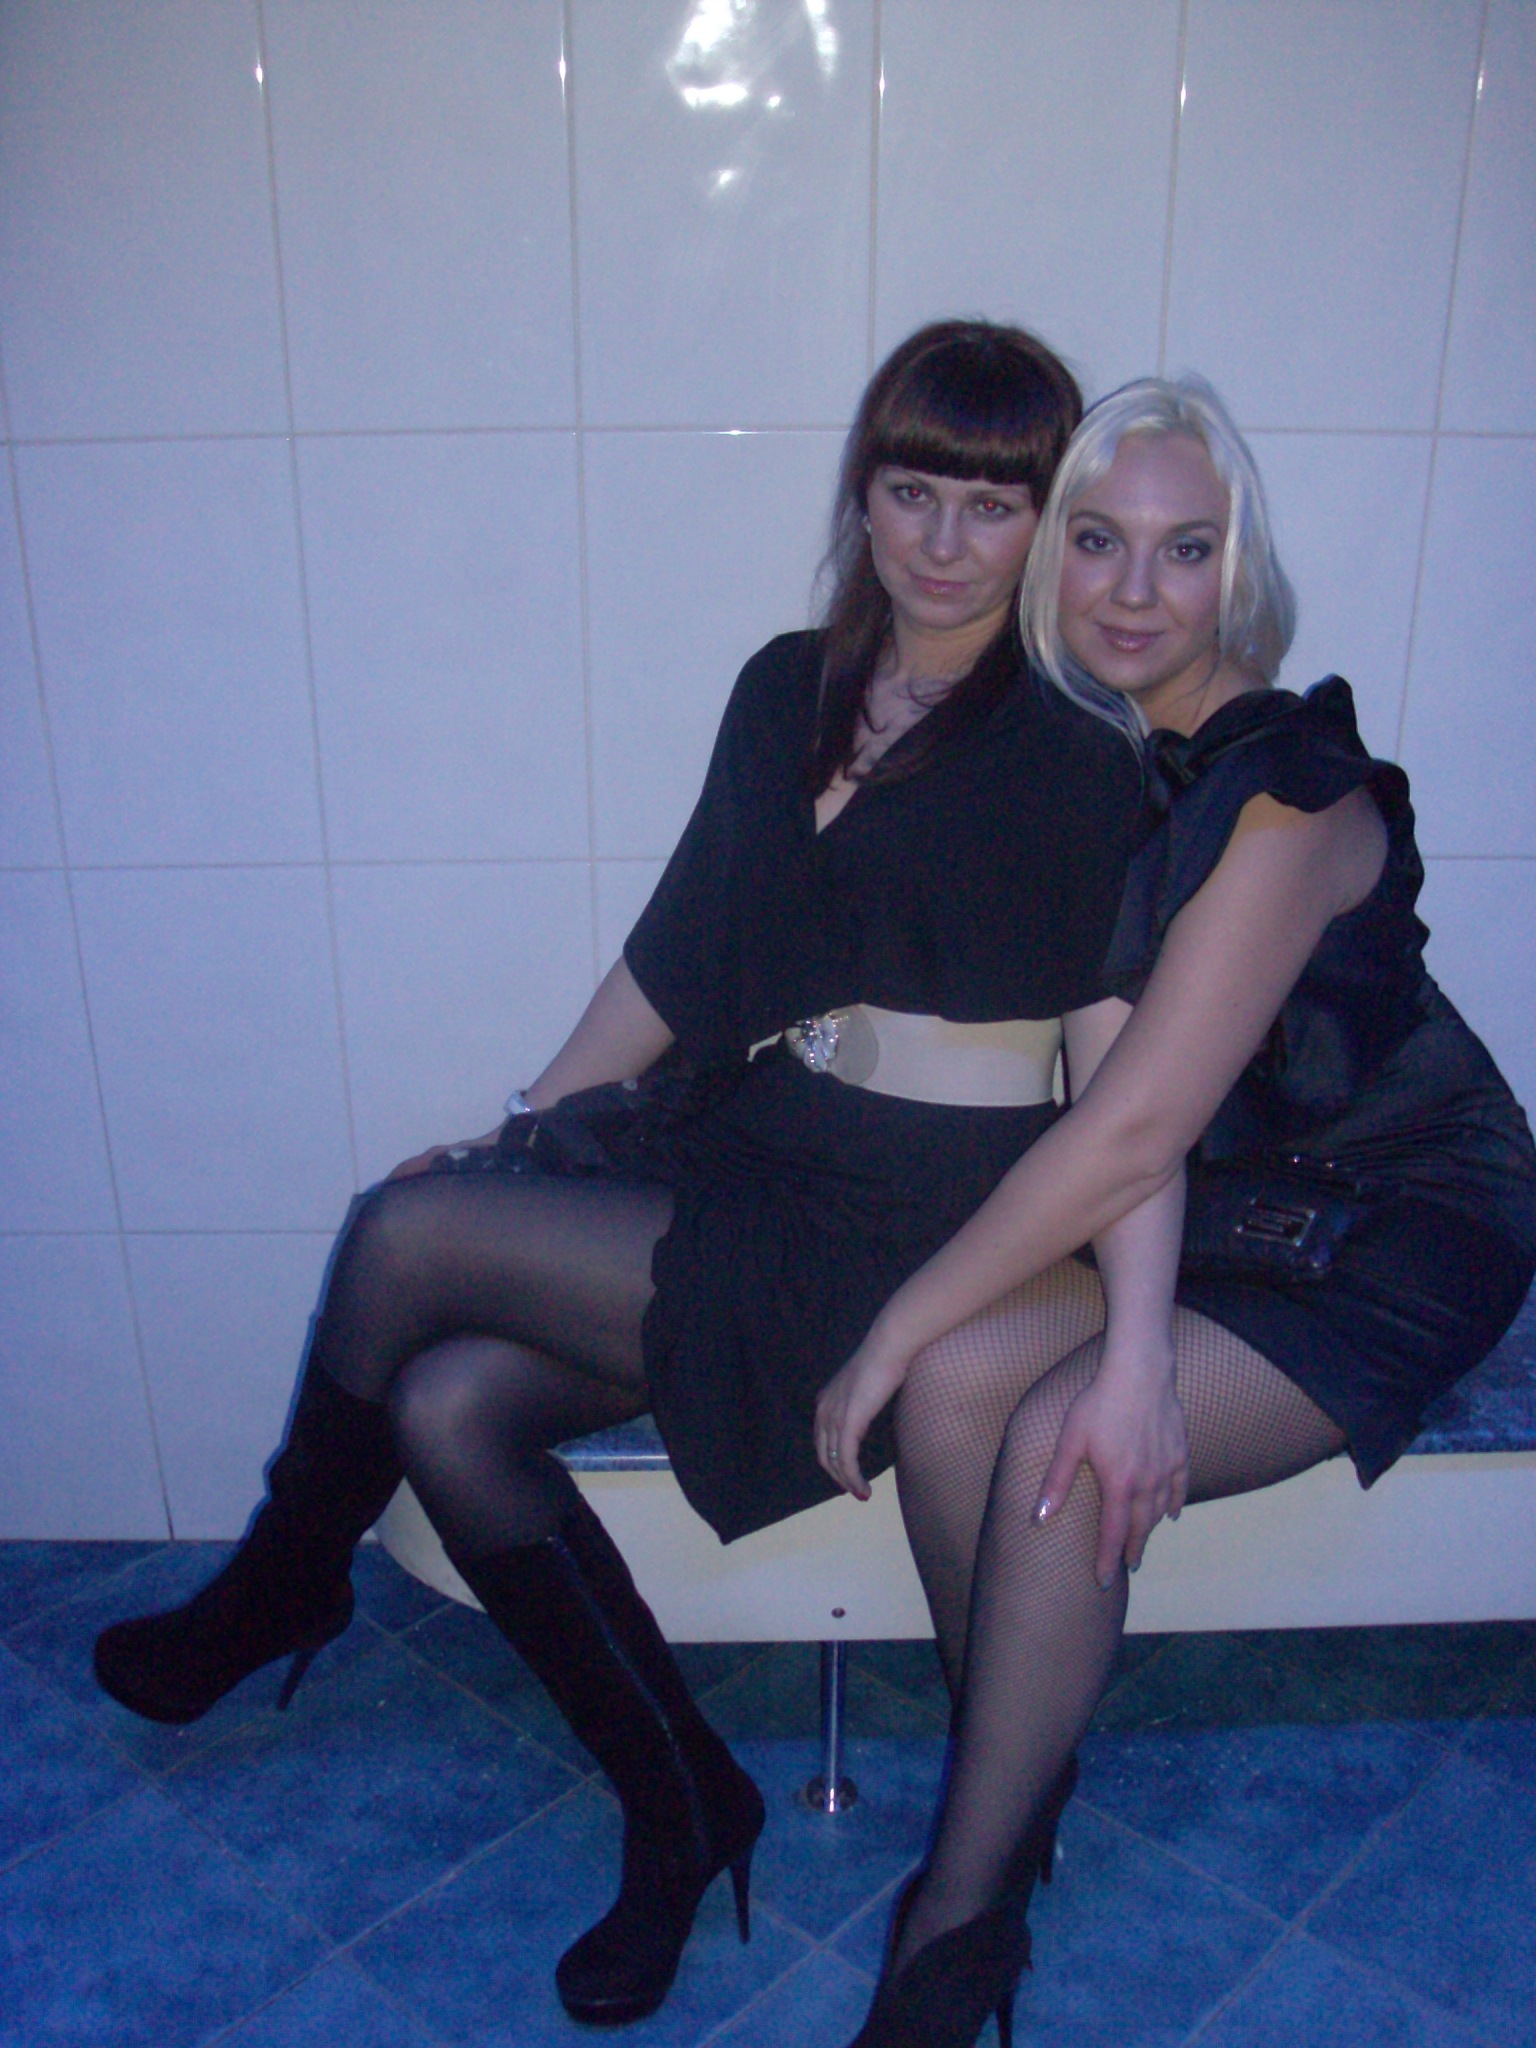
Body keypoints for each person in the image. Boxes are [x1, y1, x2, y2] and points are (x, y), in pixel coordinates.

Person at [92, 321, 1151, 2028]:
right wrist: (529, 1129)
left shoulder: (1078, 750)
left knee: (405, 1235)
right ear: (863, 494)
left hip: (917, 1219)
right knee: (445, 1406)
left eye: (994, 504)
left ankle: (286, 1579)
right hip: (757, 1140)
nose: (946, 543)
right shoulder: (786, 686)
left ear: (1045, 521)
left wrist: (1131, 1330)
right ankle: (683, 1810)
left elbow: (1126, 1089)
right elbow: (677, 953)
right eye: (912, 492)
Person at [813, 375, 1536, 2048]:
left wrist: (902, 1327)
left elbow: (1134, 1124)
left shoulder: (1290, 792)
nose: (1136, 590)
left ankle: (957, 1926)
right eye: (1099, 541)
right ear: (1052, 560)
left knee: (1053, 1443)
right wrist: (1078, 1334)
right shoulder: (1103, 768)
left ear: (1241, 573)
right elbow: (1111, 1099)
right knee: (963, 1386)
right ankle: (1019, 1778)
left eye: (1187, 549)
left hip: (1396, 1222)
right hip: (1223, 1210)